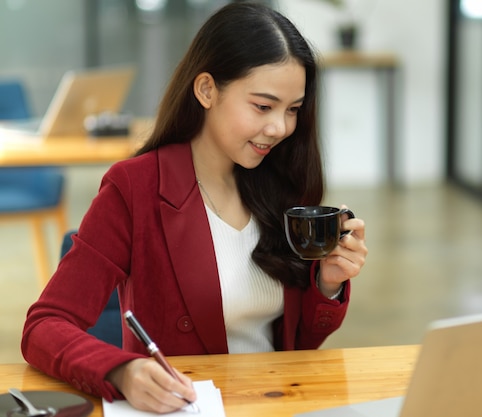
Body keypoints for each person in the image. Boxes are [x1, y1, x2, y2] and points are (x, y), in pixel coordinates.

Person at [21, 2, 367, 414]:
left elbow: (296, 347)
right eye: (262, 106)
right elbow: (43, 326)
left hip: (275, 405)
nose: (280, 128)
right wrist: (121, 371)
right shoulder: (135, 188)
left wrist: (326, 285)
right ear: (206, 90)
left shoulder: (283, 185)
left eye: (292, 110)